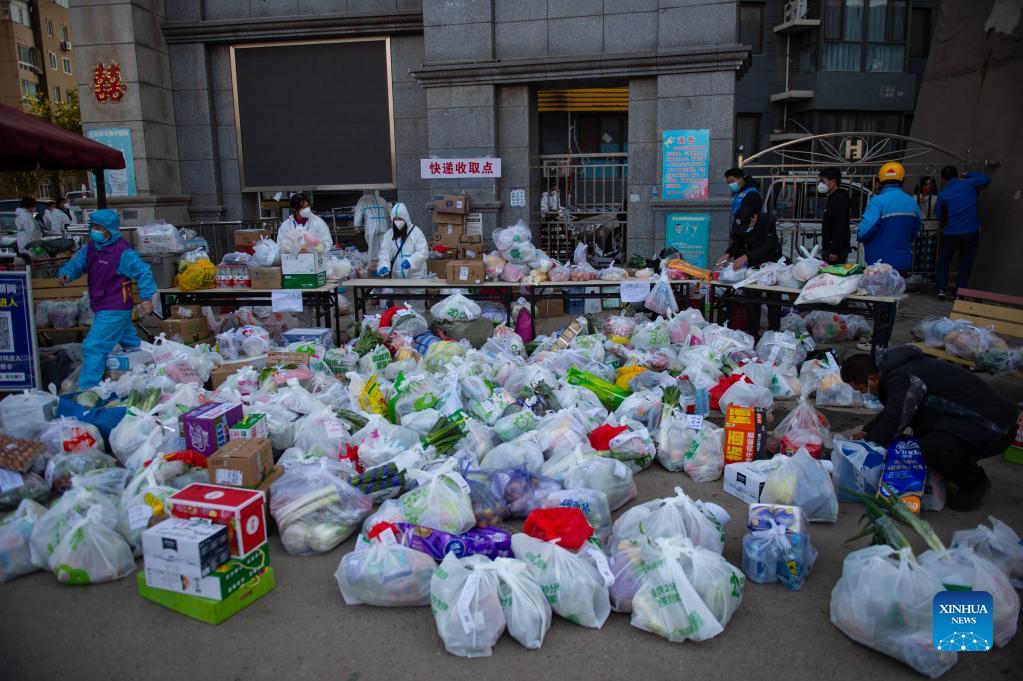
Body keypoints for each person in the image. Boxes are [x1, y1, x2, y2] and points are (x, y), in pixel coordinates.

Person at [841, 346, 1017, 512]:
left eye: (862, 389)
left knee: (933, 446)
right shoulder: (896, 371)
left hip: (994, 428)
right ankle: (953, 469)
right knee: (922, 436)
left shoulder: (904, 377)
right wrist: (867, 431)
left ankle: (975, 483)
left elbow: (895, 421)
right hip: (969, 420)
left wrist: (867, 442)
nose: (864, 394)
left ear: (872, 378)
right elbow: (894, 409)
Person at [57, 209, 157, 390]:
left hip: (115, 307)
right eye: (93, 226)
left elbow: (144, 272)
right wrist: (67, 273)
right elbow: (77, 263)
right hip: (102, 305)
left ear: (110, 229)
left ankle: (88, 389)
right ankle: (159, 365)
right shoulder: (91, 248)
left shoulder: (122, 251)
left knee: (93, 346)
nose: (95, 230)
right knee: (132, 344)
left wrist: (146, 298)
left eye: (99, 227)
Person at [716, 210, 783, 335]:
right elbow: (738, 242)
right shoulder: (739, 223)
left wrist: (746, 256)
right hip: (753, 265)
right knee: (752, 298)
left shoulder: (767, 221)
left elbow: (767, 245)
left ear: (754, 218)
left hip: (771, 263)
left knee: (773, 299)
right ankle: (753, 333)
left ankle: (774, 333)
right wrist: (728, 254)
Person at [934, 165, 991, 300]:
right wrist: (968, 174)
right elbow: (986, 178)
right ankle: (959, 293)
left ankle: (941, 289)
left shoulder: (943, 194)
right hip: (971, 232)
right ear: (957, 174)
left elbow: (939, 214)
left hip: (951, 233)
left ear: (944, 178)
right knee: (965, 263)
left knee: (944, 261)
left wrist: (945, 222)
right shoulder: (969, 184)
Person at [856, 161, 922, 274]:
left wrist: (859, 234)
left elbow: (864, 232)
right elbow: (916, 229)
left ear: (880, 181)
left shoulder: (877, 201)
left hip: (879, 263)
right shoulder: (911, 202)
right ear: (902, 180)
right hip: (902, 260)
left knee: (879, 286)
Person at [376, 202, 428, 280]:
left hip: (415, 275)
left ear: (406, 218)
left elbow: (423, 251)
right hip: (397, 275)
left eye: (400, 219)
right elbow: (384, 253)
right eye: (395, 219)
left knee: (416, 288)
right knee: (398, 288)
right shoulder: (388, 235)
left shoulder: (416, 232)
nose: (397, 222)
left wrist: (411, 261)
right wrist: (384, 265)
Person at [817, 167, 851, 264]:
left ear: (833, 182)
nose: (821, 184)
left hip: (835, 249)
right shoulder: (832, 198)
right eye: (820, 181)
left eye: (823, 181)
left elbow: (840, 225)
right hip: (830, 247)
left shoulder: (839, 199)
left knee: (832, 273)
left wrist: (835, 250)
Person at [353, 189, 391, 266]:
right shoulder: (382, 199)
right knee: (385, 249)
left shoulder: (363, 200)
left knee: (373, 251)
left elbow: (358, 213)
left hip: (371, 228)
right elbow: (389, 212)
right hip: (384, 227)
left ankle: (374, 268)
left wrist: (357, 226)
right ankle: (385, 266)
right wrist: (390, 224)